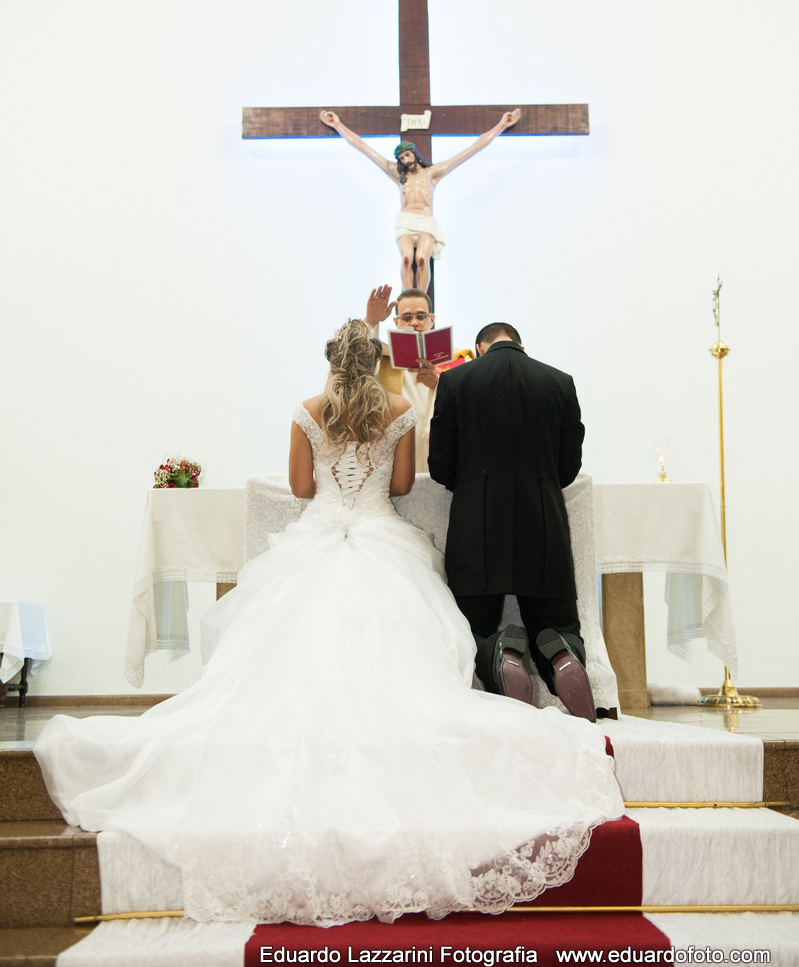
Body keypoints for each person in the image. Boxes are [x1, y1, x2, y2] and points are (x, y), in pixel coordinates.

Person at [35, 320, 622, 927]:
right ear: (375, 362)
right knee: (409, 648)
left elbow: (299, 486)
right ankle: (535, 654)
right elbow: (399, 486)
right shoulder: (401, 408)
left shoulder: (307, 410)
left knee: (285, 656)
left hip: (318, 536)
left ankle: (497, 656)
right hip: (388, 536)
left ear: (330, 361)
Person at [428, 322, 596, 722]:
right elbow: (568, 465)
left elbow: (439, 464)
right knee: (556, 621)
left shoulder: (455, 381)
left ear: (479, 349)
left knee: (472, 626)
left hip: (477, 524)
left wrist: (472, 485)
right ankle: (562, 653)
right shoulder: (559, 382)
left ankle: (497, 650)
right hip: (543, 523)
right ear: (521, 346)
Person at [320, 109, 521, 292]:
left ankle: (421, 299)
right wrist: (338, 125)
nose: (405, 160)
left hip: (425, 221)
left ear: (414, 153)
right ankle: (407, 297)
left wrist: (501, 126)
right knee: (407, 259)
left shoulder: (432, 173)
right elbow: (363, 147)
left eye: (407, 155)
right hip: (406, 221)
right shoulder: (397, 174)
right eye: (401, 158)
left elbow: (473, 148)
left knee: (422, 259)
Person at [365, 283, 444, 473]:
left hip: (438, 461)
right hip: (395, 463)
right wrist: (371, 321)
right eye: (406, 317)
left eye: (420, 316)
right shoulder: (383, 360)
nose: (414, 322)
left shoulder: (453, 361)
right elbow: (358, 360)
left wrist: (440, 385)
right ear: (396, 322)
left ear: (431, 320)